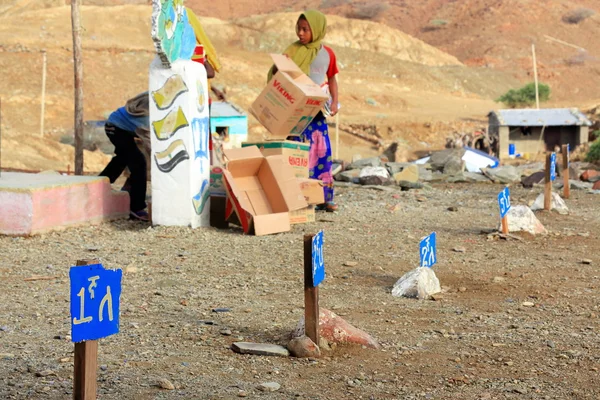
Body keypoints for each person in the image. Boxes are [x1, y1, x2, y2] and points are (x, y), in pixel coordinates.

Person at [269, 10, 339, 212]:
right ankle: (299, 199)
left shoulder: (328, 54)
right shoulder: (292, 50)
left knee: (322, 152)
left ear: (316, 30)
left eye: (305, 29)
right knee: (297, 154)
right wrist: (278, 66)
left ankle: (326, 198)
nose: (300, 33)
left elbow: (332, 78)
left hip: (317, 112)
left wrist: (335, 102)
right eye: (298, 28)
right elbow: (278, 73)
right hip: (296, 112)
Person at [99, 93, 151, 222]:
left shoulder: (158, 99)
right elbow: (152, 146)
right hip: (115, 127)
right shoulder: (148, 119)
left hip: (122, 127)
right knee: (139, 163)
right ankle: (136, 207)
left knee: (124, 156)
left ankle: (102, 182)